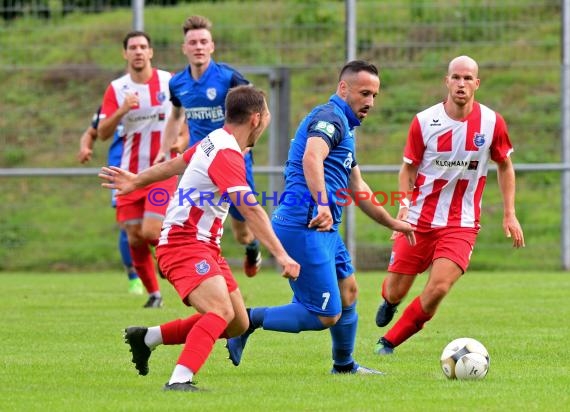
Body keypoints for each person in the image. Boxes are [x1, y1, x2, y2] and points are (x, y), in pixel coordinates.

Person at [99, 85, 300, 392]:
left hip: (203, 246)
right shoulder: (226, 153)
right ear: (257, 119)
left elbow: (175, 164)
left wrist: (137, 180)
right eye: (268, 114)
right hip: (184, 244)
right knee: (219, 311)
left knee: (237, 323)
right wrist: (282, 255)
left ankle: (147, 337)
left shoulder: (214, 140)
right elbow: (250, 208)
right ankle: (180, 379)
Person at [226, 60, 416, 375]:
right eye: (364, 93)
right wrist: (323, 203)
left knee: (349, 292)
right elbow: (311, 156)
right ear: (344, 88)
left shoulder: (346, 126)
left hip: (324, 229)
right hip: (304, 226)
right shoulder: (329, 118)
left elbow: (358, 187)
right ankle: (247, 321)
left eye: (375, 95)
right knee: (324, 314)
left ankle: (344, 367)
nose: (369, 102)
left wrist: (392, 222)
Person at [373, 55, 525, 355]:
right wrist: (403, 206)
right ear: (447, 81)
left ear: (477, 84)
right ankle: (390, 302)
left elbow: (505, 166)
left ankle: (389, 342)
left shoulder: (492, 122)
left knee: (438, 288)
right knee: (395, 290)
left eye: (468, 78)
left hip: (461, 223)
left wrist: (510, 213)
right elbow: (408, 168)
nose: (461, 83)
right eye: (456, 77)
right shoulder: (424, 121)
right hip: (418, 219)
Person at [157, 15, 263, 277]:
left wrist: (249, 143)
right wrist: (164, 148)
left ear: (212, 46)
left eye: (203, 41)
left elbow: (263, 111)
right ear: (185, 48)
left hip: (232, 162)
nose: (198, 47)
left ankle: (251, 246)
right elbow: (176, 116)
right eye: (192, 42)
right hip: (199, 161)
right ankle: (176, 256)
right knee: (182, 212)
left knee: (242, 231)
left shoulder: (228, 77)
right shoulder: (177, 83)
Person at [97, 30, 177, 308]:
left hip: (161, 170)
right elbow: (103, 132)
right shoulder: (117, 89)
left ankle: (174, 264)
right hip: (128, 174)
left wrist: (180, 141)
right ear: (125, 54)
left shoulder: (169, 82)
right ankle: (154, 295)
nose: (138, 51)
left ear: (151, 52)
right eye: (133, 47)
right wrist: (121, 110)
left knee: (152, 231)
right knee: (133, 235)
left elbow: (184, 117)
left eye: (143, 46)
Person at [77, 106, 144, 295]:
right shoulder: (110, 106)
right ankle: (133, 277)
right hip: (120, 172)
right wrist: (85, 147)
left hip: (152, 169)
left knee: (155, 225)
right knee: (128, 226)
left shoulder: (158, 100)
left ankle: (165, 265)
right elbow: (91, 133)